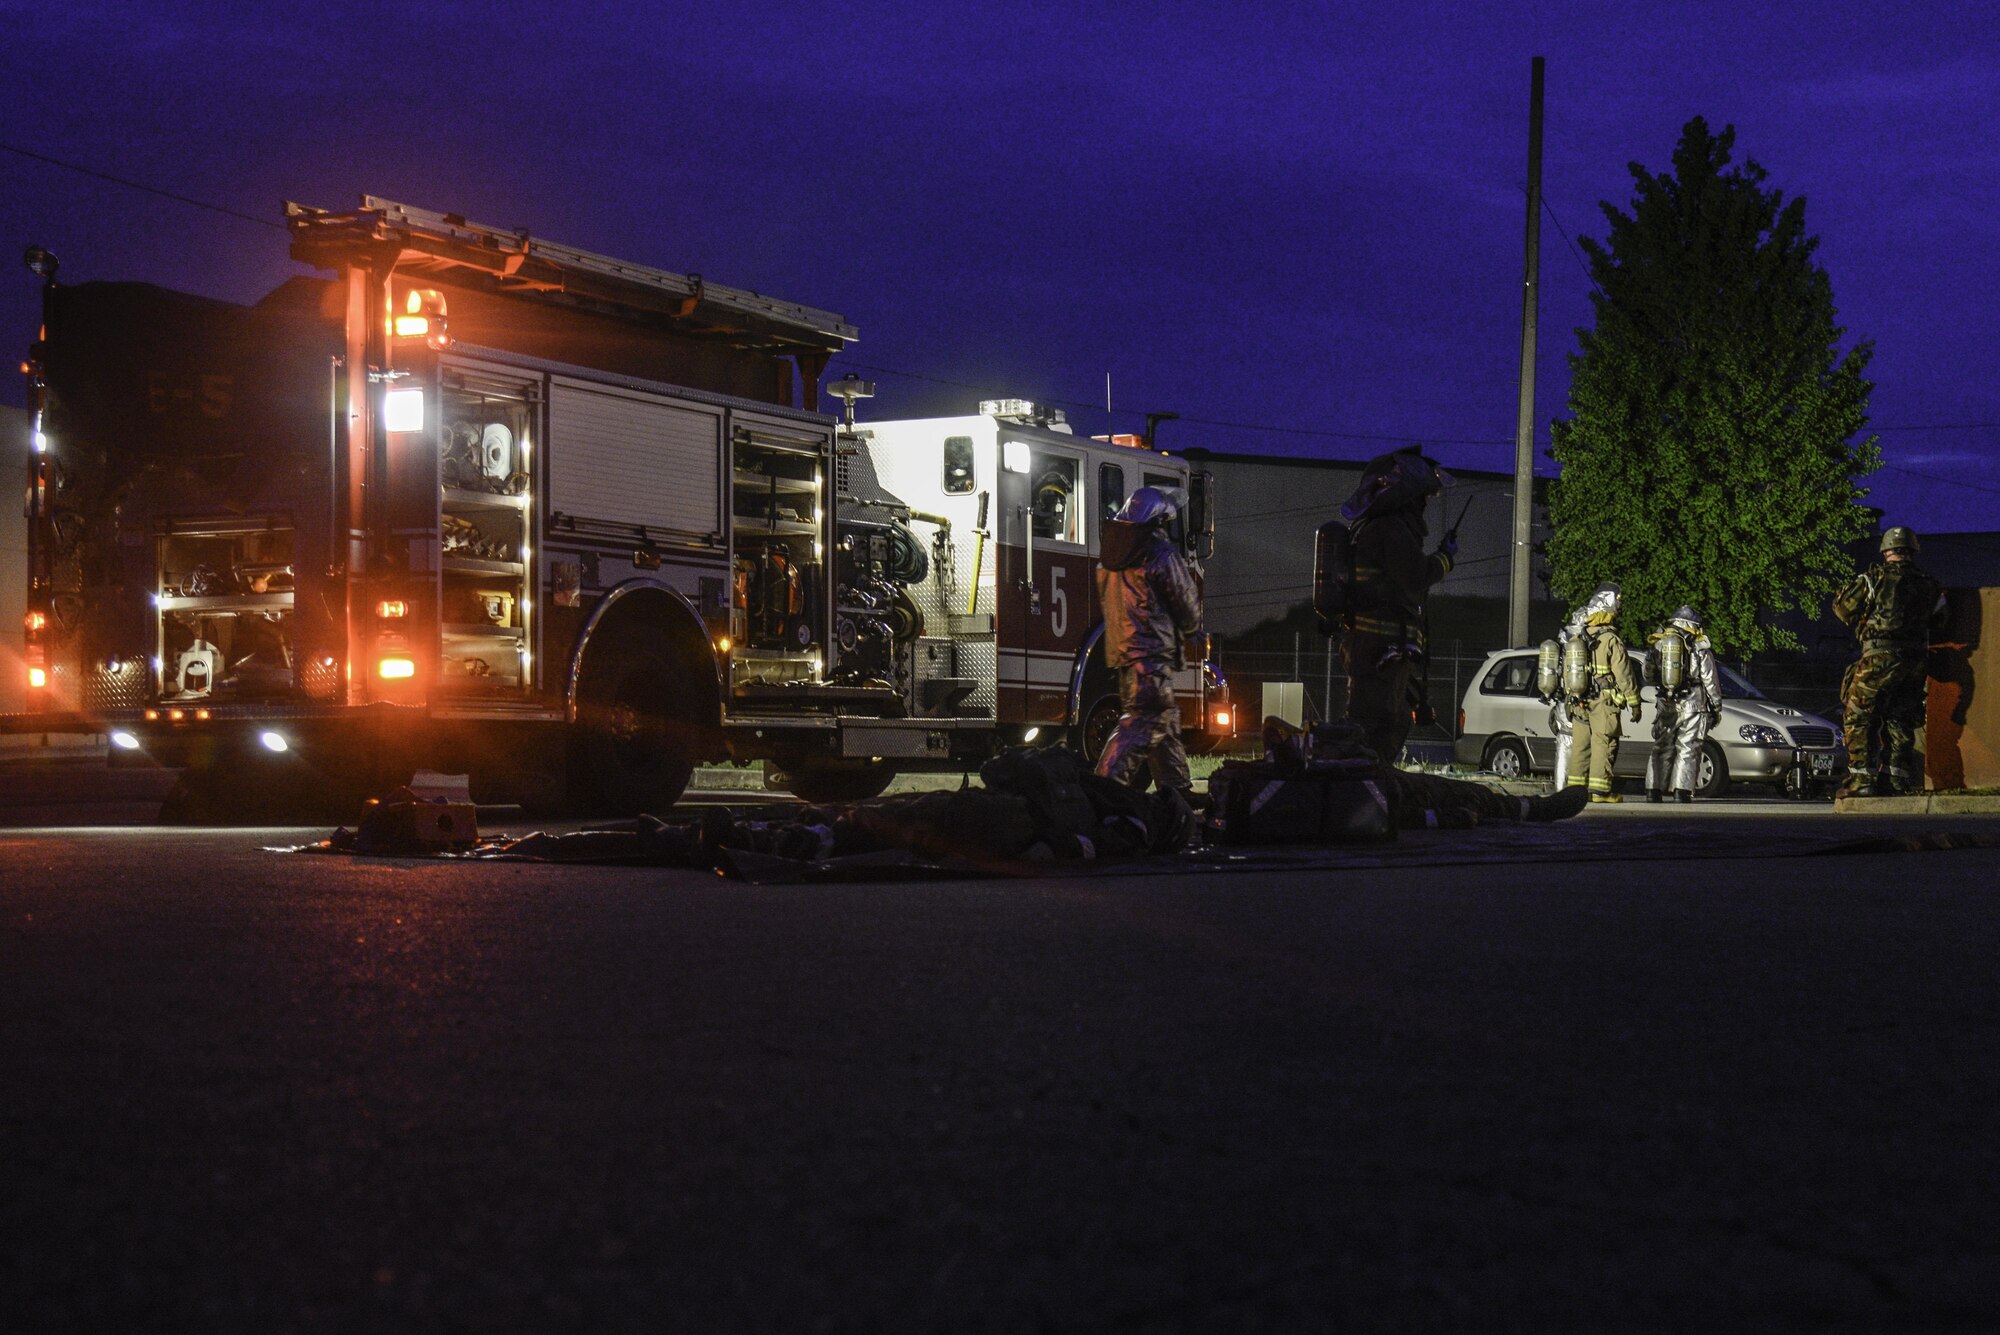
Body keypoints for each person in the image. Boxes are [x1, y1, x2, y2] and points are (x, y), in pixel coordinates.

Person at [1340, 445, 1456, 765]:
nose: (1425, 504)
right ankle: (1360, 788)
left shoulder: (1383, 527)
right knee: (1375, 725)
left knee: (1390, 721)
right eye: (1424, 497)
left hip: (1380, 649)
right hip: (1378, 650)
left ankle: (1372, 787)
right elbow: (1416, 576)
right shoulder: (1389, 529)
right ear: (1408, 494)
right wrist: (1446, 557)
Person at [1095, 486, 1203, 798]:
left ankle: (1177, 788)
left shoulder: (1113, 555)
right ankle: (1103, 788)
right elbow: (1184, 599)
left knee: (1163, 721)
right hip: (1152, 652)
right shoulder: (1158, 552)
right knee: (1144, 722)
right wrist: (1191, 626)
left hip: (1126, 653)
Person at [1833, 526, 1944, 798]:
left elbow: (1842, 608)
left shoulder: (1872, 579)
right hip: (1915, 661)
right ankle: (1895, 779)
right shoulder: (1930, 584)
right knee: (1900, 717)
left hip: (1879, 657)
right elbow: (1940, 620)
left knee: (1859, 714)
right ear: (1912, 551)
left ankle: (1861, 779)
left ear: (1885, 551)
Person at [1565, 583, 1641, 803]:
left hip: (1579, 700)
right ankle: (1600, 792)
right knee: (1603, 743)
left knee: (1581, 746)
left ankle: (1575, 793)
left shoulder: (1577, 637)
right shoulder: (1610, 639)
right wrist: (1634, 703)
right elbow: (1624, 675)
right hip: (1603, 702)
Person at [1643, 606, 1722, 803]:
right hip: (1693, 703)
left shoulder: (1659, 644)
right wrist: (1716, 706)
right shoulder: (1699, 647)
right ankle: (1682, 791)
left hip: (1665, 702)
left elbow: (1647, 673)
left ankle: (1653, 790)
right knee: (1688, 748)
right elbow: (1710, 680)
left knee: (1661, 746)